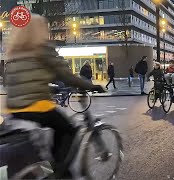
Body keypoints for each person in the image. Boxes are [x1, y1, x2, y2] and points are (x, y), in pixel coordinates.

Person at [4, 14, 103, 179]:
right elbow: (66, 75)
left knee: (39, 145)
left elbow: (21, 81)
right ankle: (60, 171)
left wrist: (49, 88)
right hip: (37, 107)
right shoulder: (42, 48)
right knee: (67, 130)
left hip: (14, 109)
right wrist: (91, 85)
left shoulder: (14, 53)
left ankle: (46, 168)